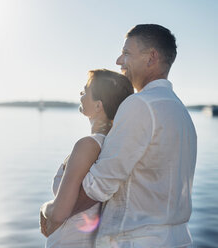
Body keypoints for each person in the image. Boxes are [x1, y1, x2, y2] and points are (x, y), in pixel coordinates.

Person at [77, 24, 196, 247]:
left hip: (134, 240)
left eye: (126, 53)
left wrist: (55, 215)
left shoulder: (140, 104)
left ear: (151, 58)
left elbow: (99, 185)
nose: (119, 61)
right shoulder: (182, 113)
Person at [40, 69, 134, 247]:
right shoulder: (111, 146)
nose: (80, 94)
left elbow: (60, 212)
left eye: (85, 90)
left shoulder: (88, 145)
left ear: (98, 106)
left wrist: (44, 209)